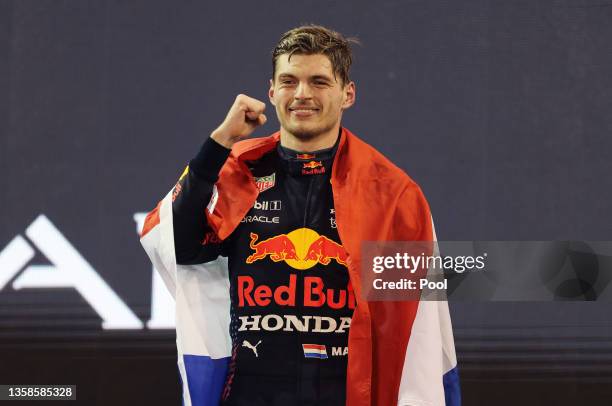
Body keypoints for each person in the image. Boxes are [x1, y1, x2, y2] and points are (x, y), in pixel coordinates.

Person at [140, 25, 460, 406]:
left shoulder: (390, 193)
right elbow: (177, 247)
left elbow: (415, 332)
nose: (302, 94)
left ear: (348, 94)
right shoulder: (235, 170)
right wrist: (219, 144)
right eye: (289, 81)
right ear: (272, 91)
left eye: (319, 81)